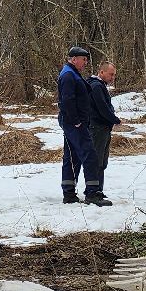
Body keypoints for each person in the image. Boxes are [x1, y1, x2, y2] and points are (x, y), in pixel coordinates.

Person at [56, 46, 96, 204]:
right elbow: (67, 100)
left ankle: (69, 193)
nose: (85, 62)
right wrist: (76, 121)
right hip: (73, 123)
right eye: (83, 59)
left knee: (72, 157)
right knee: (89, 154)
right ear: (74, 59)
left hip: (73, 122)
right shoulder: (68, 75)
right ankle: (93, 193)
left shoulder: (71, 73)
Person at [83, 62, 120, 207]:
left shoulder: (99, 85)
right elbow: (102, 108)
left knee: (102, 161)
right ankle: (92, 193)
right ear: (102, 72)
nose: (113, 77)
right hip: (97, 128)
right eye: (111, 74)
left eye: (114, 74)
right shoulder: (96, 86)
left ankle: (98, 190)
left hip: (102, 127)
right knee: (97, 161)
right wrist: (114, 119)